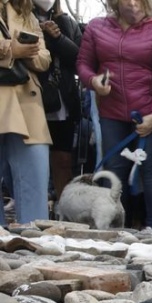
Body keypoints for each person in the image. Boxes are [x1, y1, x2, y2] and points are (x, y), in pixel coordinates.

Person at [77, 0, 152, 230]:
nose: (133, 3)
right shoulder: (96, 28)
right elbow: (83, 64)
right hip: (111, 112)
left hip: (147, 113)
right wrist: (93, 81)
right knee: (115, 169)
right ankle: (114, 226)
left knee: (150, 169)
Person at [0, 0, 52, 225]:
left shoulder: (25, 12)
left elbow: (44, 59)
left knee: (35, 176)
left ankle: (35, 241)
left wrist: (27, 52)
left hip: (26, 101)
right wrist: (11, 50)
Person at [31, 0, 81, 201]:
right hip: (32, 98)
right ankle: (35, 207)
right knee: (34, 160)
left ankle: (64, 210)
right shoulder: (19, 18)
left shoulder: (67, 22)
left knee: (62, 160)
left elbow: (79, 60)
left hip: (62, 101)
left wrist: (58, 37)